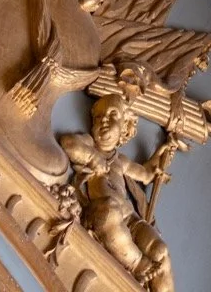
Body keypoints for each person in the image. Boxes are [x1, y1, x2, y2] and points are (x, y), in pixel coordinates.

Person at [60, 93, 176, 292]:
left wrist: (162, 155)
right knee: (109, 211)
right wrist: (92, 157)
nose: (104, 119)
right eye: (98, 117)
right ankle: (137, 265)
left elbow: (146, 175)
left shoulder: (121, 161)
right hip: (100, 215)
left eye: (112, 115)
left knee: (161, 252)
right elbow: (68, 143)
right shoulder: (89, 143)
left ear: (125, 127)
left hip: (130, 219)